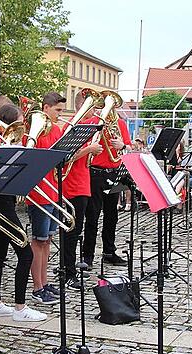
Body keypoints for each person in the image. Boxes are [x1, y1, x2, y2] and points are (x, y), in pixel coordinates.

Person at [0, 103, 47, 321]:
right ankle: (20, 308)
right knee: (26, 253)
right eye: (20, 123)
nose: (23, 128)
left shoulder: (7, 144)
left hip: (3, 201)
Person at [26, 92, 67, 304]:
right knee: (39, 240)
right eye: (57, 110)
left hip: (52, 190)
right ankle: (37, 286)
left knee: (48, 240)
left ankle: (44, 281)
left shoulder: (57, 129)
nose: (60, 115)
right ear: (45, 108)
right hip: (38, 192)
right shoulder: (37, 130)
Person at [82, 95, 131, 267]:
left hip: (116, 172)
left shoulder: (121, 124)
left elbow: (129, 147)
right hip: (96, 173)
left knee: (113, 215)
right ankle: (87, 256)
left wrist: (122, 146)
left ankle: (109, 251)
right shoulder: (93, 122)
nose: (110, 109)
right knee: (92, 215)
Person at [64, 91, 103, 288]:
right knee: (71, 232)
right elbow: (66, 157)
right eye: (92, 107)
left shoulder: (87, 126)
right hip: (72, 186)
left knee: (77, 230)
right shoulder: (73, 126)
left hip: (82, 184)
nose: (95, 111)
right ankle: (68, 273)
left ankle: (70, 269)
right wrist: (89, 150)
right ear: (82, 107)